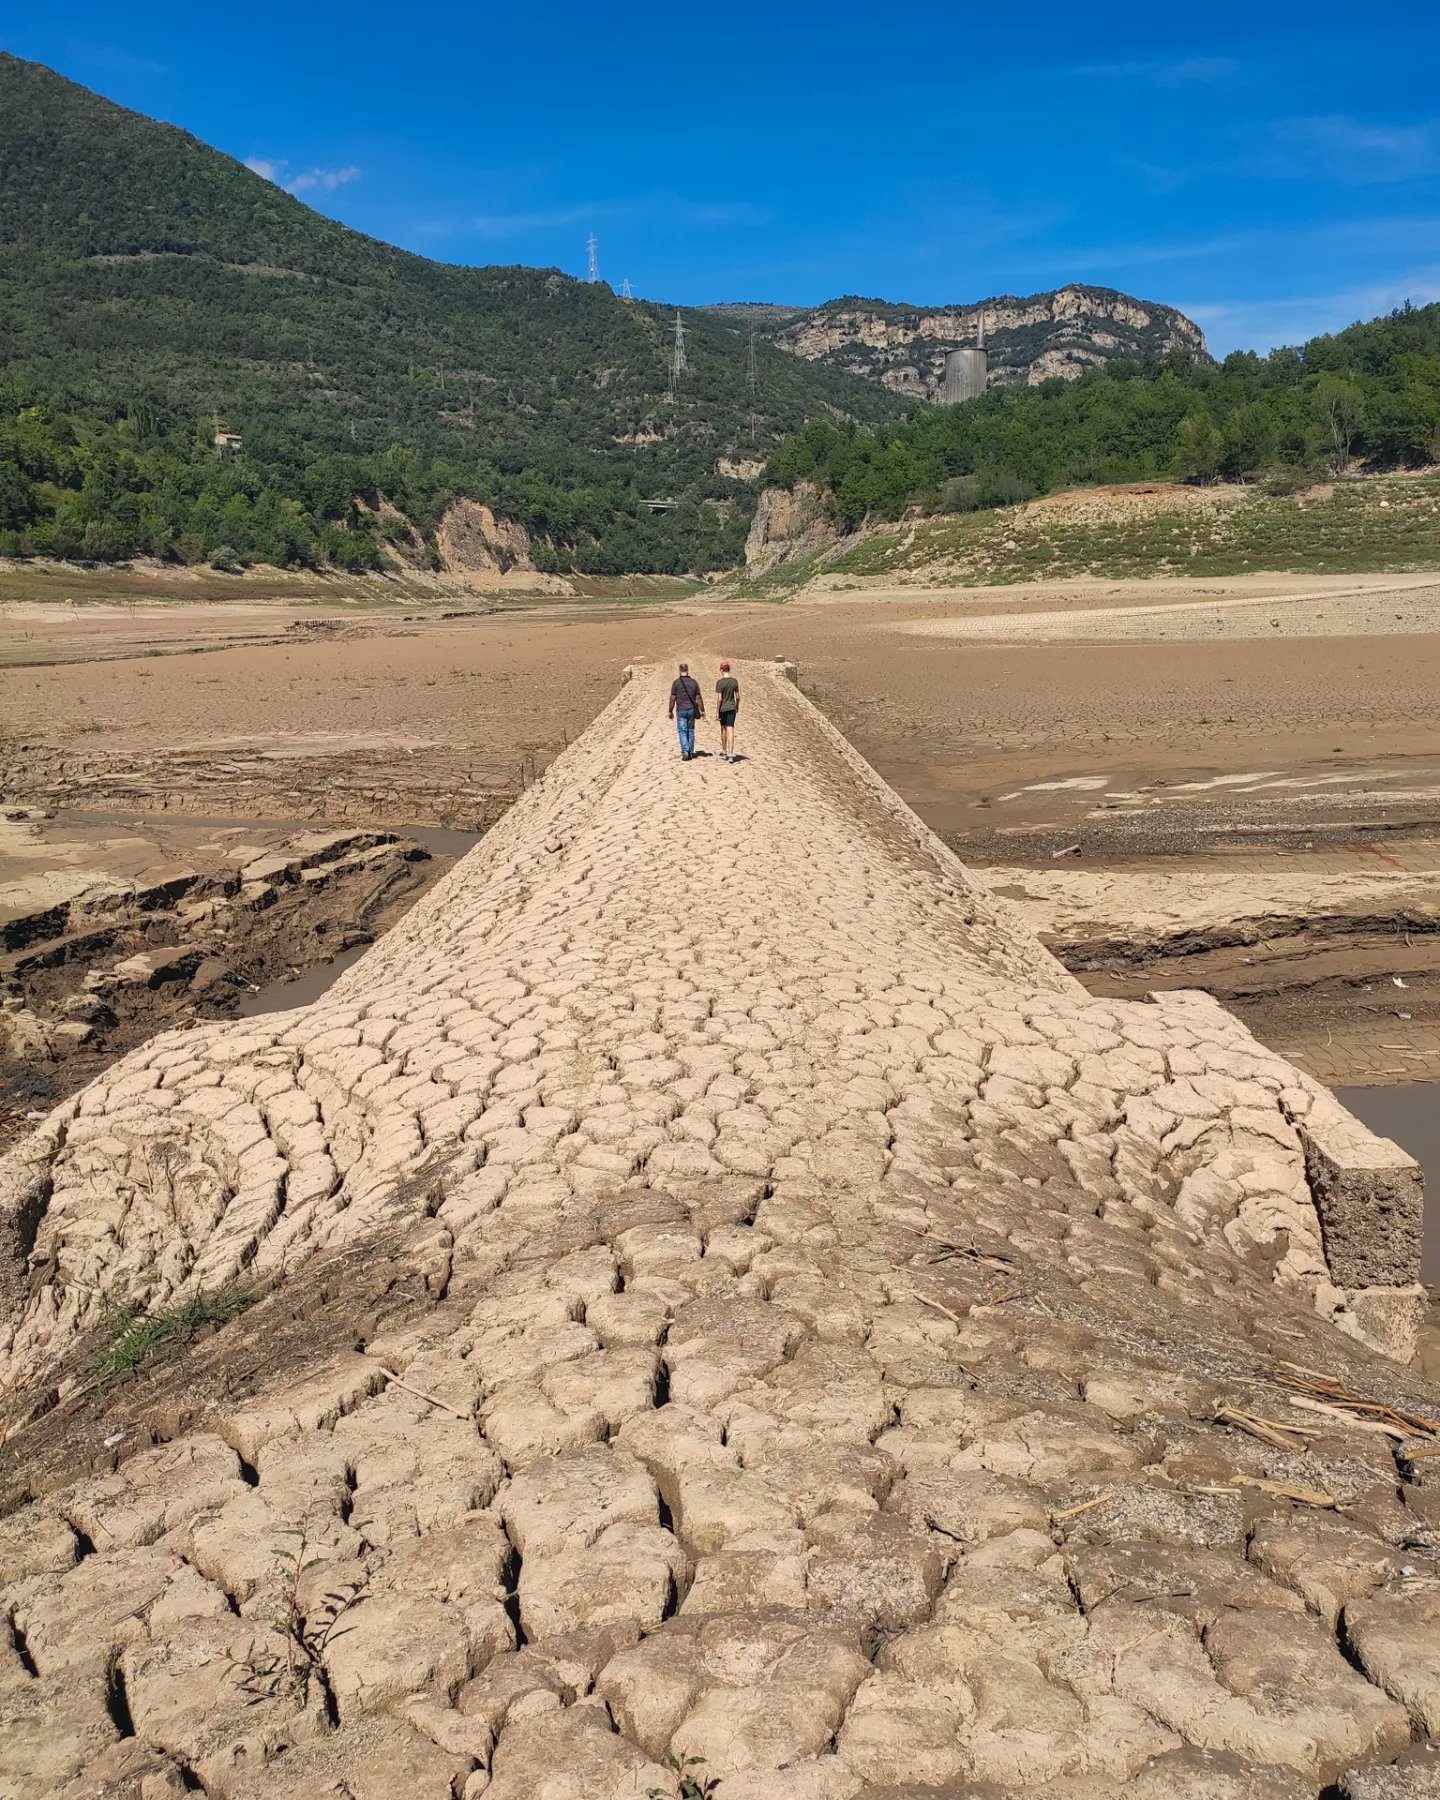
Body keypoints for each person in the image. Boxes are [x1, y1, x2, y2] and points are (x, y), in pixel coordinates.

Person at [668, 662, 704, 759]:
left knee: (682, 731)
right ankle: (690, 751)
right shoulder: (694, 682)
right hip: (691, 709)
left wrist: (670, 711)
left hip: (681, 710)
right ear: (687, 670)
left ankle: (685, 750)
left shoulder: (676, 683)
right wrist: (702, 710)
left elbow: (672, 698)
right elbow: (698, 698)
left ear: (680, 671)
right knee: (691, 730)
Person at [715, 661, 740, 761]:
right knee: (731, 730)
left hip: (723, 709)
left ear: (721, 670)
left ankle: (724, 751)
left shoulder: (719, 682)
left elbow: (720, 698)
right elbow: (738, 696)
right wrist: (737, 706)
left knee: (723, 729)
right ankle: (730, 753)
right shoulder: (734, 681)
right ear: (729, 669)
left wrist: (717, 711)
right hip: (731, 708)